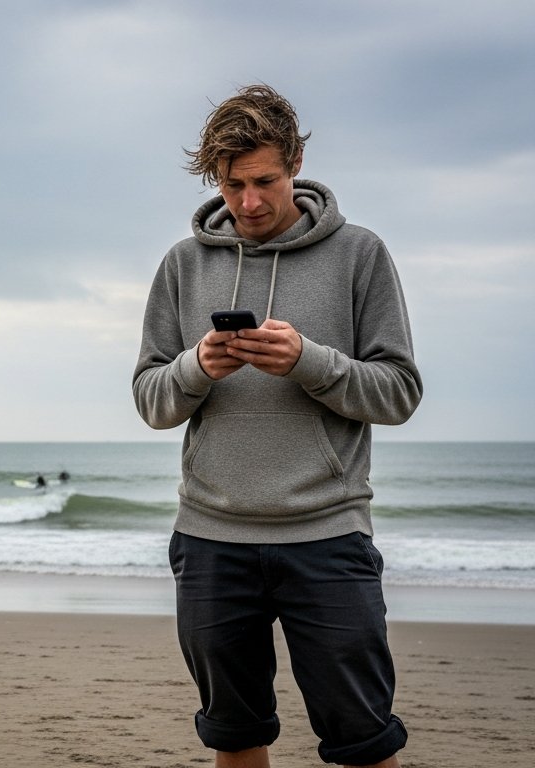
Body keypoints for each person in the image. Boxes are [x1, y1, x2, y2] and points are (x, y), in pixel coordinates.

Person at [132, 84, 421, 768]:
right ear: (215, 179)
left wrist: (309, 362)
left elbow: (400, 393)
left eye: (265, 181)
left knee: (363, 742)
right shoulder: (183, 264)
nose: (250, 202)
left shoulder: (360, 254)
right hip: (210, 541)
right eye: (234, 185)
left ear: (294, 163)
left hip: (328, 538)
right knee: (235, 738)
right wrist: (197, 367)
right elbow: (151, 402)